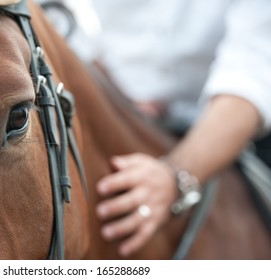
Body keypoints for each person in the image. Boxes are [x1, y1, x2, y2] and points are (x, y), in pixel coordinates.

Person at [39, 0, 271, 256]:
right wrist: (112, 93)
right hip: (112, 105)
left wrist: (175, 177)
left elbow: (252, 77)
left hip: (217, 125)